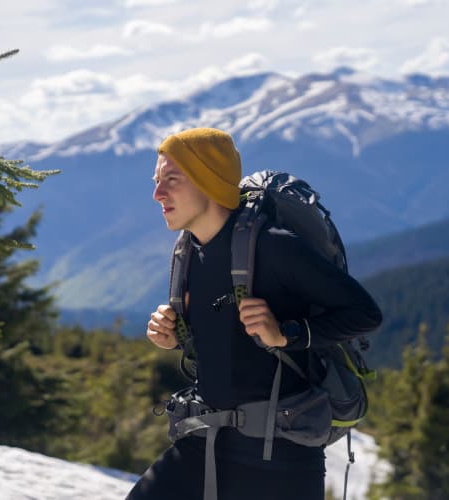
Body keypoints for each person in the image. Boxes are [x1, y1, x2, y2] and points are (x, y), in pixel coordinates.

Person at [126, 127, 382, 500]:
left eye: (171, 180)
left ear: (208, 181)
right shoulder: (189, 253)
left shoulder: (274, 246)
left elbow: (364, 313)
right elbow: (227, 340)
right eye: (156, 181)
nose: (157, 194)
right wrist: (174, 335)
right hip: (206, 442)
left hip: (281, 461)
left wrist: (288, 334)